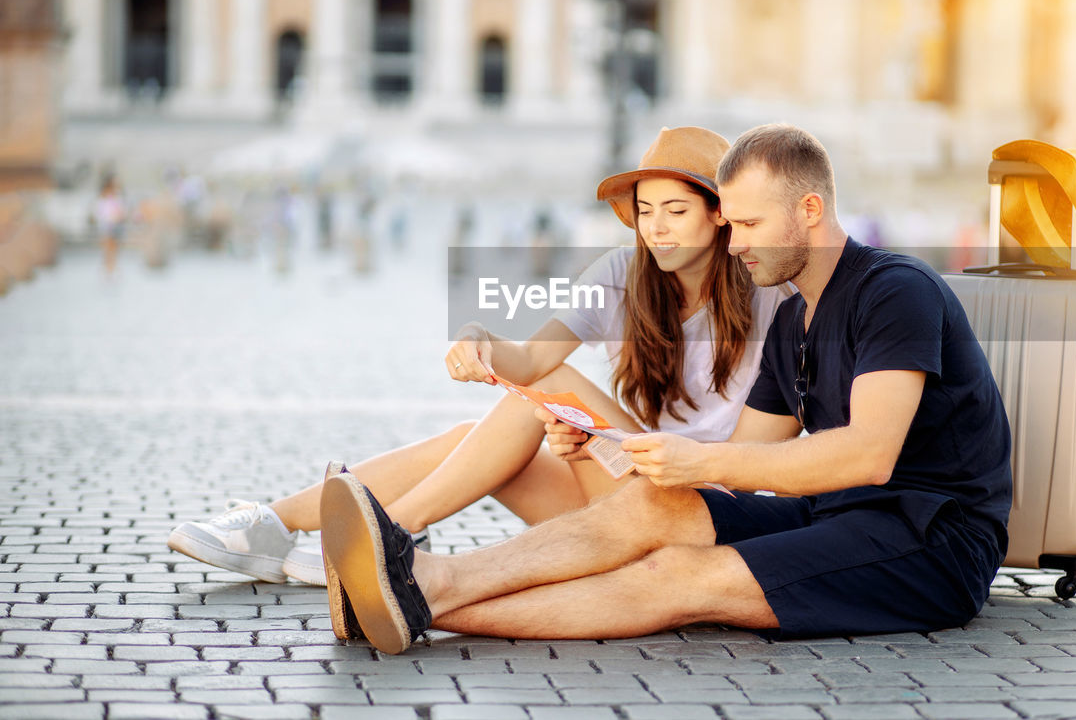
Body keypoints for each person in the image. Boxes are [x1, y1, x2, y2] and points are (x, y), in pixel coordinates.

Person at [318, 123, 1013, 653]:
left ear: (808, 209)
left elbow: (870, 455)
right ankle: (425, 579)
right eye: (731, 222)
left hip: (932, 543)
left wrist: (698, 461)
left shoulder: (895, 290)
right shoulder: (795, 319)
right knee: (654, 509)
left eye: (748, 224)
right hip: (839, 517)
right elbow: (743, 468)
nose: (736, 244)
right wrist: (621, 453)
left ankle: (418, 602)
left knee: (679, 575)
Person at [167, 127, 790, 596]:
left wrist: (621, 442)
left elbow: (753, 462)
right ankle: (276, 522)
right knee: (484, 433)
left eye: (675, 212)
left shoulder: (771, 299)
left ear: (719, 214)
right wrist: (481, 337)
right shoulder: (624, 276)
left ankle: (390, 530)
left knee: (545, 387)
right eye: (646, 213)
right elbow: (526, 360)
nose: (656, 229)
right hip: (625, 491)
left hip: (705, 508)